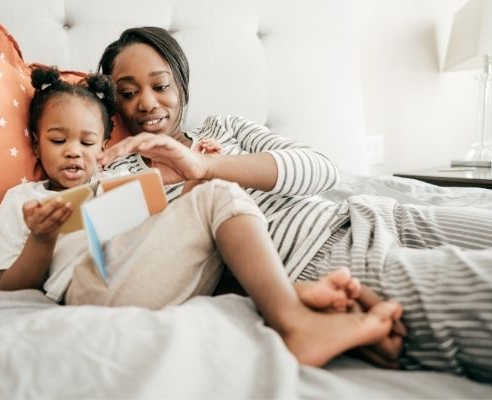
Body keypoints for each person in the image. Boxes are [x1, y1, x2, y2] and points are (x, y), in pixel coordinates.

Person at [96, 27, 492, 382]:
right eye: (128, 94)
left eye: (160, 86)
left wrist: (207, 164)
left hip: (370, 213)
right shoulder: (119, 177)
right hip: (318, 256)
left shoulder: (225, 128)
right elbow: (141, 264)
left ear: (181, 86)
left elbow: (320, 169)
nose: (146, 103)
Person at [0, 65, 403, 368]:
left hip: (141, 275)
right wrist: (42, 238)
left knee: (209, 191)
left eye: (88, 141)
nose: (73, 151)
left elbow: (169, 241)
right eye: (58, 140)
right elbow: (11, 289)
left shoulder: (116, 184)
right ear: (36, 142)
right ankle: (295, 318)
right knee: (216, 193)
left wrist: (192, 184)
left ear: (104, 147)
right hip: (90, 290)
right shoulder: (23, 199)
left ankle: (296, 302)